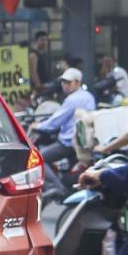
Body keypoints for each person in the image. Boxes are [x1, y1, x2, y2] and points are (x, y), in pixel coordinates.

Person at [32, 68, 97, 199]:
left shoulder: (72, 99)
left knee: (38, 159)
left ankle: (55, 187)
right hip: (84, 141)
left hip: (69, 143)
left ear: (77, 83)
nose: (64, 85)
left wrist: (38, 125)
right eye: (63, 82)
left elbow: (55, 122)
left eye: (68, 82)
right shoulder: (89, 96)